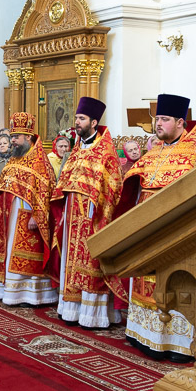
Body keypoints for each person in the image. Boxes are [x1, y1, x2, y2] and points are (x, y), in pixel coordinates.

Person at [119, 94, 196, 362]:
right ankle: (144, 335)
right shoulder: (155, 150)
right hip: (148, 229)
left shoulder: (195, 153)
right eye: (157, 119)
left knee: (174, 281)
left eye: (164, 119)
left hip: (176, 231)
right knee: (146, 278)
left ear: (181, 122)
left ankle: (176, 343)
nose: (158, 124)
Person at [51, 97, 125, 329]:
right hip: (72, 214)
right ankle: (71, 310)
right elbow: (66, 179)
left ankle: (93, 315)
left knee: (91, 263)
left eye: (81, 119)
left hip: (94, 216)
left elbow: (113, 186)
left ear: (94, 122)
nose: (76, 123)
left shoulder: (106, 151)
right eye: (76, 118)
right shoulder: (76, 149)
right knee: (71, 261)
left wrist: (99, 208)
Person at [0, 113, 58, 306]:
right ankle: (11, 292)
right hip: (9, 217)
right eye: (11, 137)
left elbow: (46, 191)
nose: (13, 141)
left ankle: (32, 295)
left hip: (28, 216)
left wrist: (37, 214)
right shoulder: (13, 159)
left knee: (28, 257)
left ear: (28, 137)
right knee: (10, 252)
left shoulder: (40, 162)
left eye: (16, 137)